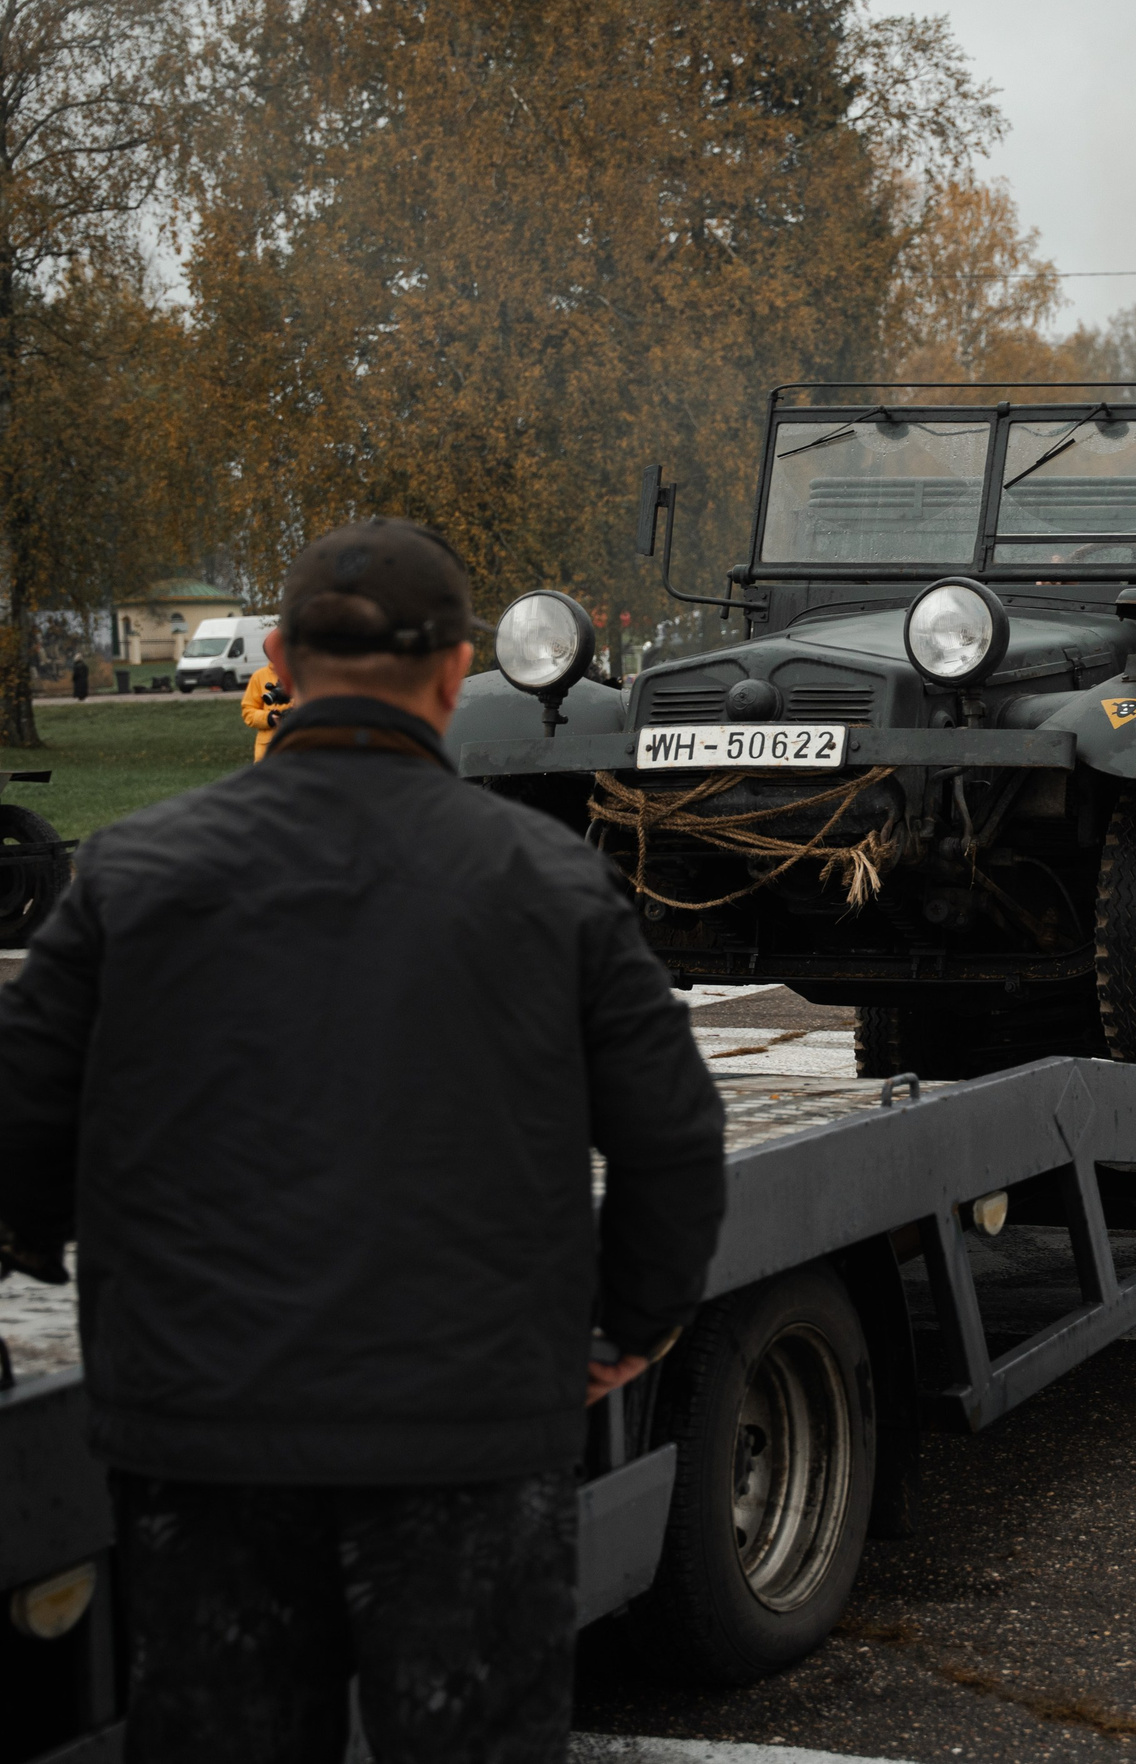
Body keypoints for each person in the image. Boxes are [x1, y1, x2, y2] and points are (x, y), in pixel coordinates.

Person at [0, 516, 727, 1764]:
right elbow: (673, 1144)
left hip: (201, 1427)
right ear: (456, 674)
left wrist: (51, 1241)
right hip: (472, 1429)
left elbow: (19, 1113)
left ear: (276, 659)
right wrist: (625, 1324)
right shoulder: (550, 884)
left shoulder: (130, 872)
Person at [240, 654, 291, 760]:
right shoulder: (259, 676)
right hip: (267, 754)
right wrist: (268, 718)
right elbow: (248, 712)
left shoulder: (306, 675)